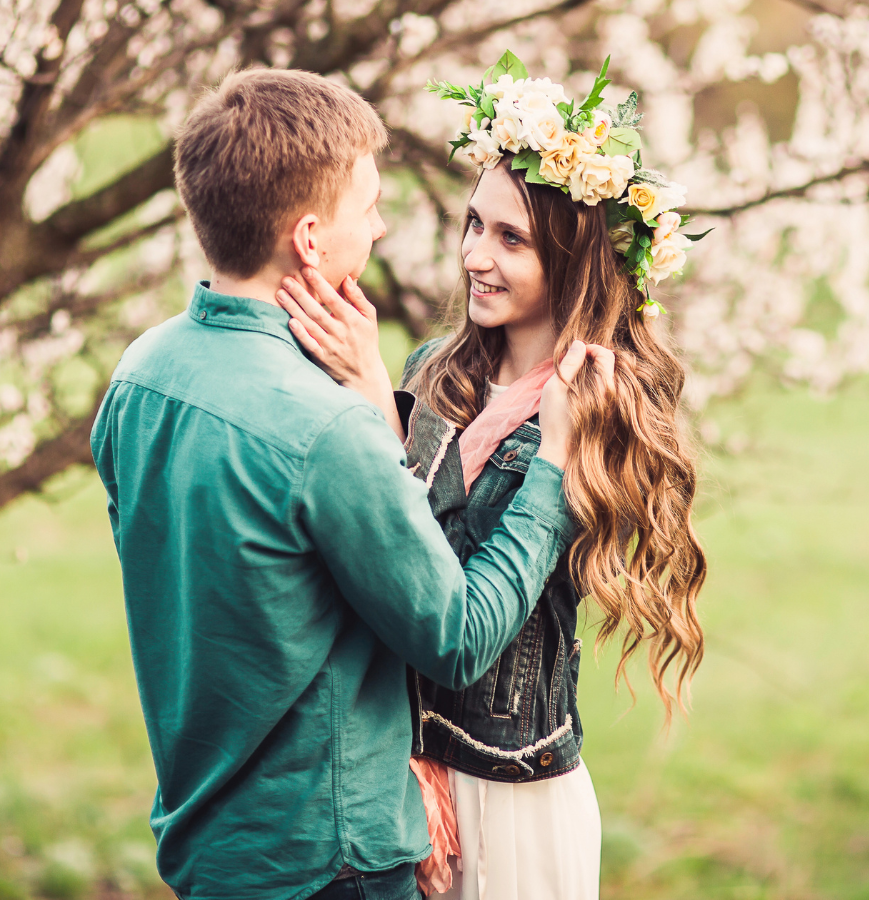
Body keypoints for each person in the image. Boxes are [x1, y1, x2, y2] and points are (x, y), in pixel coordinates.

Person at [89, 68, 611, 900]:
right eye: (367, 208)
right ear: (308, 238)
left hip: (208, 844)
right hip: (328, 857)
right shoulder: (325, 429)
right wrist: (551, 467)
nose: (379, 225)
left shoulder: (140, 375)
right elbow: (459, 635)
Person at [276, 54, 709, 899]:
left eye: (511, 239)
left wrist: (373, 404)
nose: (476, 254)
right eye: (474, 224)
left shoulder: (591, 411)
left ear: (574, 262)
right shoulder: (436, 369)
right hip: (400, 766)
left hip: (509, 789)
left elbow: (456, 591)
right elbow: (377, 569)